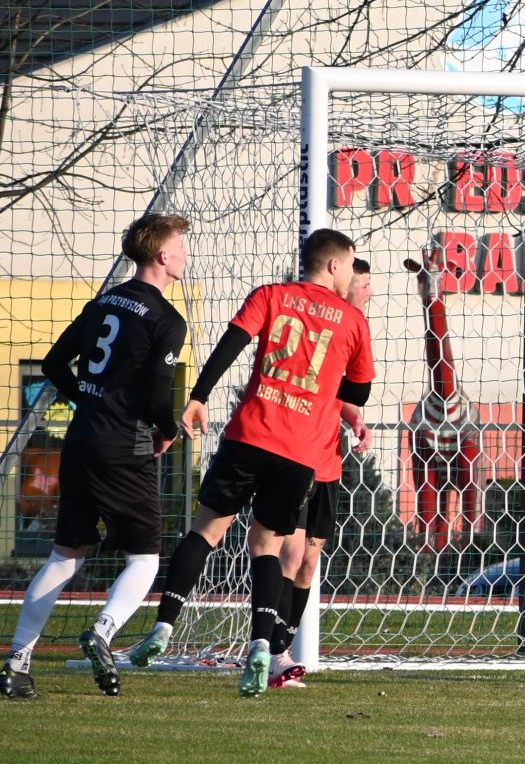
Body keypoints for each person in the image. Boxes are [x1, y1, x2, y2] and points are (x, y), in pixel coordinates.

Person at [125, 229, 374, 697]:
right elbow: (357, 391)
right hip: (299, 453)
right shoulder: (352, 321)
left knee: (206, 531)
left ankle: (162, 626)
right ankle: (261, 646)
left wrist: (199, 397)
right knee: (266, 548)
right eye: (351, 264)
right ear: (334, 265)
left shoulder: (270, 295)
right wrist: (329, 392)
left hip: (249, 436)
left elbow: (231, 343)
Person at [4, 214, 191, 700]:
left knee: (65, 556)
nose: (185, 254)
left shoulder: (103, 301)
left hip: (82, 439)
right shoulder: (167, 320)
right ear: (162, 255)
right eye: (180, 246)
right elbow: (158, 397)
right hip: (124, 447)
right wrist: (169, 430)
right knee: (144, 558)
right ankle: (102, 632)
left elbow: (52, 364)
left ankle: (17, 665)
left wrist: (89, 402)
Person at [266, 257, 373, 688]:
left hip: (328, 461)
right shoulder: (322, 324)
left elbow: (336, 392)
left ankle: (282, 649)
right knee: (290, 556)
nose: (368, 292)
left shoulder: (353, 330)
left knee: (309, 563)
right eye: (363, 284)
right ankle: (272, 651)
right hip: (296, 455)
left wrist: (354, 418)